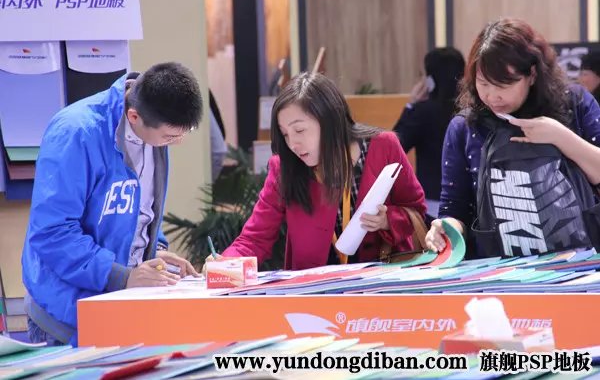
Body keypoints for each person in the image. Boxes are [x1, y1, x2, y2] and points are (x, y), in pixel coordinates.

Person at [22, 62, 203, 346]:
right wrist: (122, 276)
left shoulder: (154, 127)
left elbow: (137, 211)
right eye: (170, 137)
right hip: (66, 312)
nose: (176, 143)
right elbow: (52, 233)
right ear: (133, 116)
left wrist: (155, 252)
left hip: (120, 307)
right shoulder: (75, 132)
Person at [208, 72, 426, 270]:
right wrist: (225, 264)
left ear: (330, 120)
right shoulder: (284, 168)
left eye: (299, 130)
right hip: (315, 290)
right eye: (285, 134)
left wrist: (388, 221)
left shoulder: (383, 147)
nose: (293, 144)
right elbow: (255, 238)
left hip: (380, 284)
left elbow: (415, 209)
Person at [425, 18, 600, 257]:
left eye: (504, 84)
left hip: (581, 261)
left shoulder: (574, 103)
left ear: (532, 74)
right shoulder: (465, 127)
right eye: (483, 83)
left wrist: (559, 136)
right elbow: (455, 208)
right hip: (499, 266)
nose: (492, 96)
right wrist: (445, 228)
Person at [393, 47, 465, 217]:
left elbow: (396, 146)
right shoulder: (471, 111)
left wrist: (411, 105)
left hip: (433, 202)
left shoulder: (422, 112)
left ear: (430, 81)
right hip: (468, 200)